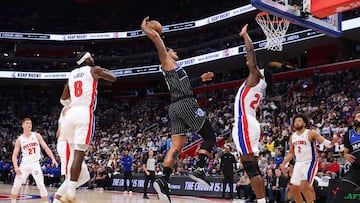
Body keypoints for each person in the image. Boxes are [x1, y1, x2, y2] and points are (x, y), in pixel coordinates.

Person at [141, 17, 217, 203]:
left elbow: (185, 85)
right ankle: (199, 169)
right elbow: (159, 43)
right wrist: (148, 30)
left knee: (176, 147)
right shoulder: (166, 60)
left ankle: (163, 180)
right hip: (185, 104)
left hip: (175, 107)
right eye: (172, 50)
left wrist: (201, 78)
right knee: (210, 137)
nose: (175, 52)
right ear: (168, 53)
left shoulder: (175, 68)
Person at [58, 51, 116, 201]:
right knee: (78, 155)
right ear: (87, 59)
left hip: (70, 114)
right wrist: (102, 70)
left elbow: (63, 100)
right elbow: (114, 78)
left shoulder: (71, 74)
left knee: (73, 158)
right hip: (84, 112)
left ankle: (61, 195)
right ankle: (70, 192)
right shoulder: (94, 69)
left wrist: (73, 105)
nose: (93, 58)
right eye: (91, 56)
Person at [231, 24, 274, 203]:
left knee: (249, 167)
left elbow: (251, 56)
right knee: (252, 166)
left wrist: (245, 36)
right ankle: (261, 200)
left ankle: (262, 201)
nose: (247, 61)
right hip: (251, 123)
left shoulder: (256, 76)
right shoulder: (260, 85)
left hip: (245, 122)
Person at [280, 113, 335, 203]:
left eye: (299, 121)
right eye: (295, 121)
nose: (297, 123)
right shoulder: (292, 137)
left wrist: (331, 143)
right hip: (298, 163)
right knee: (294, 188)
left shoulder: (310, 133)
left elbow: (323, 141)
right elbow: (291, 153)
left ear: (304, 123)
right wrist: (283, 164)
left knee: (304, 187)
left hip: (310, 162)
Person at [10, 118, 58, 203]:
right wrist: (16, 167)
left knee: (41, 185)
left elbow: (46, 148)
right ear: (23, 125)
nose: (29, 125)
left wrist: (53, 158)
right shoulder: (19, 139)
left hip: (35, 164)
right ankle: (13, 201)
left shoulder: (36, 135)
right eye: (27, 123)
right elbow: (14, 155)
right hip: (24, 165)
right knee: (16, 186)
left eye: (31, 123)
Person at [53, 104, 90, 203]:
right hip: (67, 143)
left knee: (85, 176)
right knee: (71, 176)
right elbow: (60, 133)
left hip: (73, 144)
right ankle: (57, 198)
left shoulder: (72, 108)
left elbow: (57, 133)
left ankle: (59, 195)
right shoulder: (70, 108)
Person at [330, 111, 360, 203]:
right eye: (357, 116)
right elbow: (345, 152)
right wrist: (345, 155)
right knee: (340, 193)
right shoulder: (349, 134)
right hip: (356, 169)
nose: (358, 118)